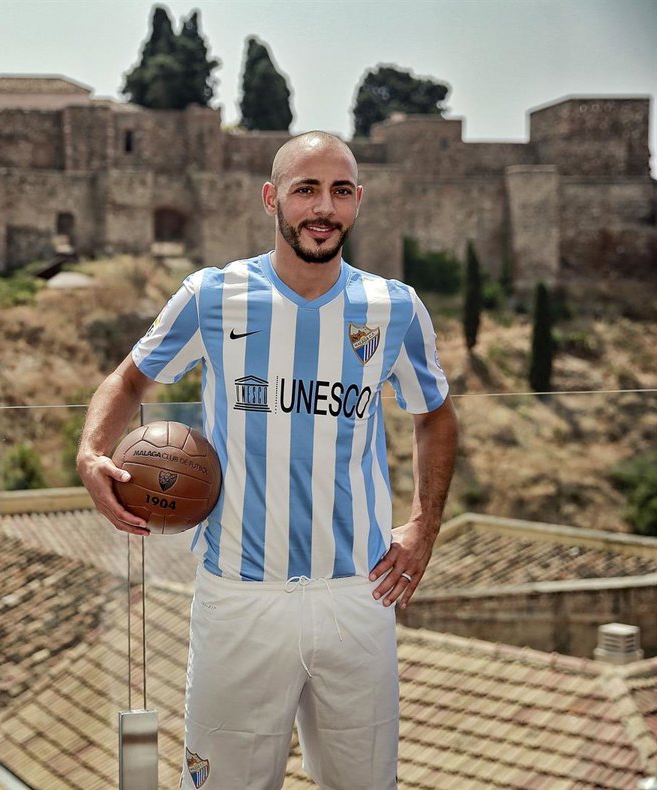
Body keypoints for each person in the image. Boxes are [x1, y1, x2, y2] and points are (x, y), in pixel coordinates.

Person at [77, 131, 458, 789]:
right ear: (270, 198)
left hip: (357, 594)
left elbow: (436, 415)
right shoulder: (212, 295)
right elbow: (129, 381)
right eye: (306, 189)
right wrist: (90, 454)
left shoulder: (394, 307)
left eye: (340, 191)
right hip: (239, 595)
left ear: (359, 201)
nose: (324, 208)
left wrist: (424, 526)